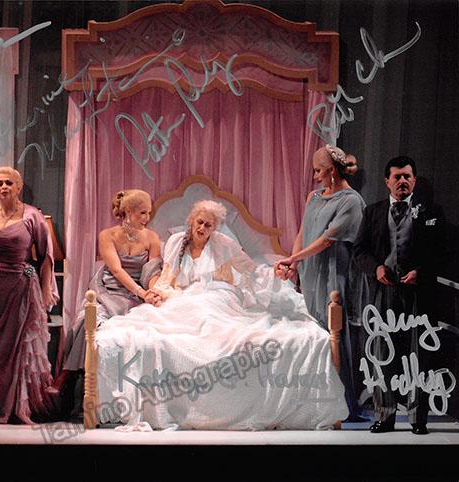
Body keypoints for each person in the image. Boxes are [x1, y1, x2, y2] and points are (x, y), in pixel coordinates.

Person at [93, 200, 349, 430]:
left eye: (208, 225)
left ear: (215, 228)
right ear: (191, 221)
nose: (202, 228)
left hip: (219, 296)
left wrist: (274, 272)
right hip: (185, 298)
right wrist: (158, 294)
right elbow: (168, 277)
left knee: (211, 322)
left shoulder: (224, 245)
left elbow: (250, 270)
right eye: (199, 222)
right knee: (153, 325)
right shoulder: (175, 243)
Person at [353, 156, 445, 435]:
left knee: (419, 354)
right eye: (397, 177)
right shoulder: (373, 212)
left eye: (407, 176)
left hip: (419, 295)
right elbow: (359, 251)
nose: (402, 181)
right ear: (387, 181)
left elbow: (442, 251)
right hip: (384, 293)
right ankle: (385, 416)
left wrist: (421, 272)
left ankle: (418, 419)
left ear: (414, 180)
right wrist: (376, 268)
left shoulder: (432, 211)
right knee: (382, 353)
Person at [274, 144, 365, 421]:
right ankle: (315, 402)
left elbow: (328, 239)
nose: (315, 176)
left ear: (333, 171)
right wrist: (294, 263)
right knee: (314, 330)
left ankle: (343, 404)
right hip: (312, 270)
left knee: (334, 329)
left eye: (318, 171)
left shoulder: (351, 201)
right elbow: (303, 233)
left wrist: (295, 258)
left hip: (335, 271)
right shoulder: (313, 197)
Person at [58, 189, 162, 420]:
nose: (146, 218)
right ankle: (72, 382)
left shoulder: (152, 237)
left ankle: (105, 392)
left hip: (136, 295)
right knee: (86, 321)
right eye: (142, 213)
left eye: (149, 213)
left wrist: (152, 291)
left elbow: (152, 271)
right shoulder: (107, 235)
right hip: (109, 290)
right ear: (128, 212)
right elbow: (116, 269)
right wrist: (141, 292)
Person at [0, 166, 59, 424]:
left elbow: (46, 255)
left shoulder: (32, 216)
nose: (4, 187)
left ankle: (17, 408)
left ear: (19, 187)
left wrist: (45, 290)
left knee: (17, 348)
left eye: (9, 183)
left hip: (21, 287)